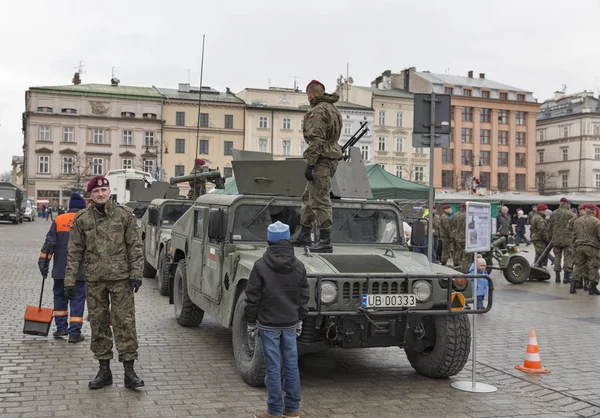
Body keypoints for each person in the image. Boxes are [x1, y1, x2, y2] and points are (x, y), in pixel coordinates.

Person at [64, 176, 144, 390]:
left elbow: (135, 247)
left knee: (125, 324)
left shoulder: (124, 215)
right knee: (99, 325)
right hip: (95, 280)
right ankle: (104, 371)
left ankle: (129, 371)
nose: (101, 194)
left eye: (104, 190)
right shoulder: (82, 219)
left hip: (121, 280)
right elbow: (73, 252)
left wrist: (136, 274)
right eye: (96, 191)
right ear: (90, 195)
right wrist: (70, 280)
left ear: (109, 191)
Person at [245, 221, 309, 418]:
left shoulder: (260, 266)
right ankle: (292, 410)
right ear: (287, 239)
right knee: (291, 366)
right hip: (289, 323)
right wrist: (299, 319)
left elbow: (252, 297)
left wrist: (250, 322)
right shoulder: (298, 265)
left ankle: (273, 411)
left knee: (273, 368)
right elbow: (304, 296)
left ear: (269, 241)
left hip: (268, 324)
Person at [291, 80, 342, 253]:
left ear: (310, 94)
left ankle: (325, 240)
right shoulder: (333, 109)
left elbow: (316, 140)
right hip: (329, 158)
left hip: (321, 159)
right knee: (309, 197)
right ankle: (305, 233)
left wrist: (310, 164)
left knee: (320, 199)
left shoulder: (318, 111)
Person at [38, 192, 87, 343]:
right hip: (79, 271)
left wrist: (43, 263)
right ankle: (74, 333)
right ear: (82, 208)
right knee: (77, 299)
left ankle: (61, 329)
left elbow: (49, 244)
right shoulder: (86, 220)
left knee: (59, 297)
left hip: (60, 270)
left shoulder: (59, 220)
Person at [570, 204, 600, 295]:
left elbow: (574, 235)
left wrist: (574, 246)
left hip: (579, 246)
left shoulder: (577, 221)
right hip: (592, 247)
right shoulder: (596, 221)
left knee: (578, 266)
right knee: (593, 266)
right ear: (593, 210)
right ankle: (592, 287)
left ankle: (573, 285)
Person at [549, 197, 574, 284]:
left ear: (560, 203)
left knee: (557, 257)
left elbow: (550, 226)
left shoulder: (553, 213)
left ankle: (557, 277)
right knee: (568, 257)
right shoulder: (570, 214)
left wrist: (551, 236)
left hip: (556, 239)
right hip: (568, 240)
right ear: (567, 204)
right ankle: (566, 277)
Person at [452, 204, 468, 272]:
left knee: (456, 251)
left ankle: (456, 265)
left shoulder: (455, 215)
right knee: (464, 253)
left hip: (456, 236)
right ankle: (463, 267)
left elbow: (452, 225)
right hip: (465, 236)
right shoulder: (468, 215)